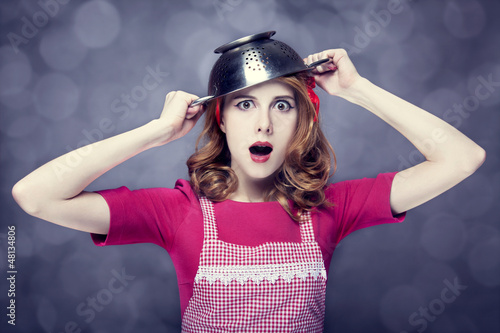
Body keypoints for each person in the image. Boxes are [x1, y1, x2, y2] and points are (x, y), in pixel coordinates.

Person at [12, 31, 485, 332]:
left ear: (303, 119)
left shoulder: (330, 208)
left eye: (282, 105)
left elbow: (462, 158)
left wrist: (358, 90)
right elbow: (33, 195)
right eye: (244, 105)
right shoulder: (178, 212)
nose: (263, 124)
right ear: (220, 120)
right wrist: (154, 133)